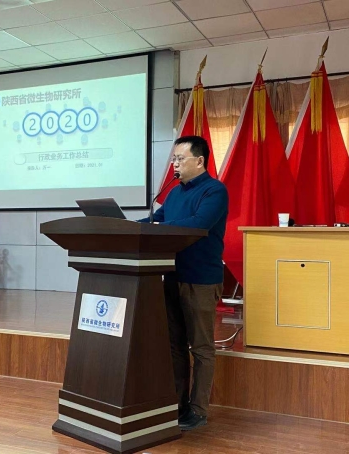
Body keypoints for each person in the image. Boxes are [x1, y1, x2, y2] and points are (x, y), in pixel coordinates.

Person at [143, 135, 228, 431]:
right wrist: (123, 226)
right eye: (174, 159)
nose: (175, 165)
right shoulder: (174, 194)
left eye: (180, 159)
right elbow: (155, 221)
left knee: (201, 347)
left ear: (199, 161)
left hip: (201, 279)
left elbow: (198, 224)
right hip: (172, 276)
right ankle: (177, 404)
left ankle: (198, 410)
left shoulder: (214, 190)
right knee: (174, 345)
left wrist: (158, 227)